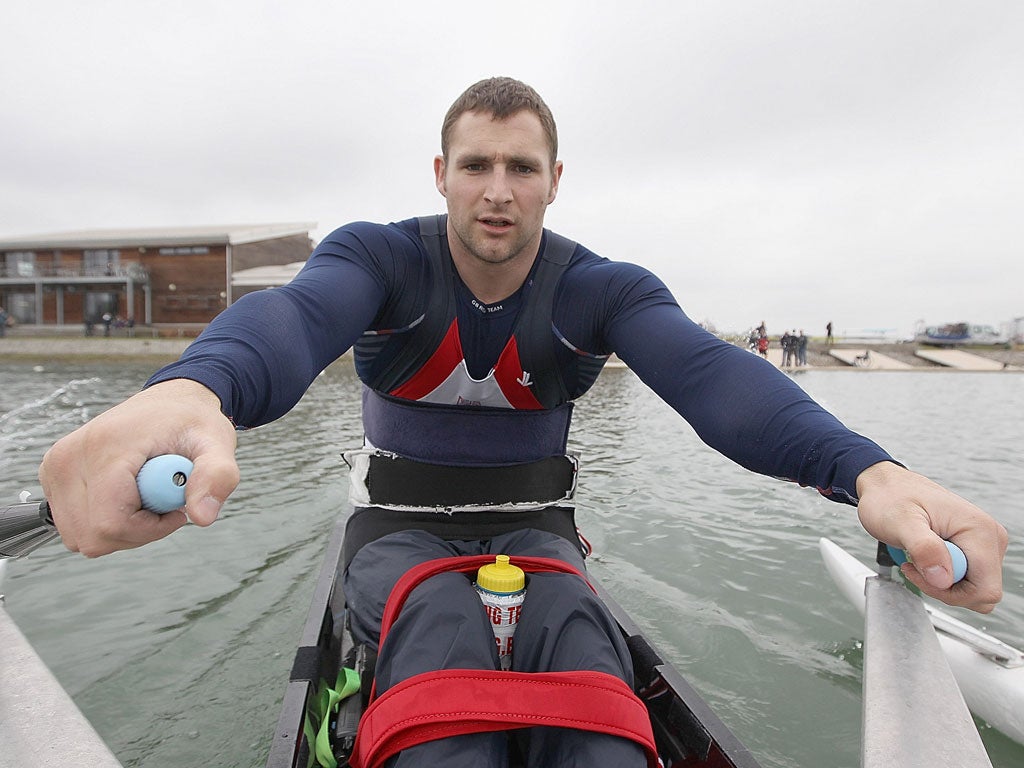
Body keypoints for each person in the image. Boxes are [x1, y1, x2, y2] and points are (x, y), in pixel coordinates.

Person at [39, 77, 1007, 766]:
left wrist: (869, 472)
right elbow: (290, 321)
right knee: (438, 632)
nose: (497, 188)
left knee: (587, 667)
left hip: (540, 531)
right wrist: (193, 389)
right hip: (398, 529)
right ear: (441, 174)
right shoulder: (377, 261)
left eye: (520, 166)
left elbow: (711, 377)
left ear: (553, 178)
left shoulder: (599, 289)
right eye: (476, 164)